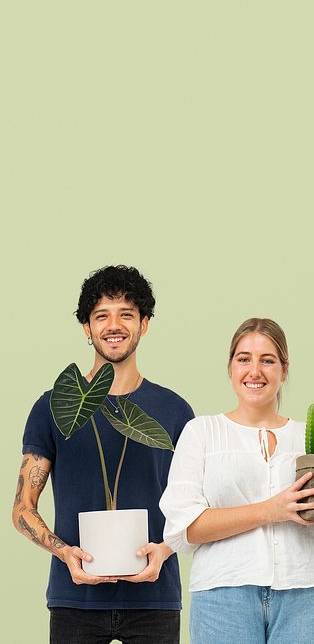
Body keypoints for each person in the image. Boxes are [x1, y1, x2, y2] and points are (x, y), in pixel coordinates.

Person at [15, 265, 194, 643]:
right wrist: (65, 554)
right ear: (87, 328)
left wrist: (164, 550)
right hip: (74, 598)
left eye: (126, 314)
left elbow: (197, 508)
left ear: (144, 324)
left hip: (155, 597)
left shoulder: (174, 410)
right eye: (102, 316)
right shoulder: (55, 406)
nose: (114, 325)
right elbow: (22, 509)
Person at [159, 318, 314, 643]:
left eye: (267, 360)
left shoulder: (310, 437)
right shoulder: (202, 432)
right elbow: (186, 529)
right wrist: (271, 510)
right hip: (223, 595)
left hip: (309, 592)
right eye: (244, 359)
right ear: (230, 368)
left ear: (284, 369)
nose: (255, 371)